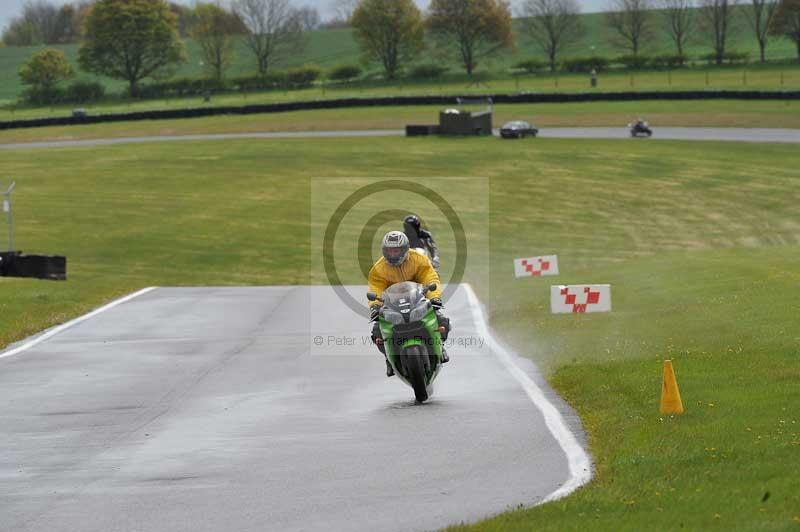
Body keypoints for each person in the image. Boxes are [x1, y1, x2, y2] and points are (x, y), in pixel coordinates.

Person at [368, 231, 450, 377]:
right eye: (389, 250)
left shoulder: (419, 259)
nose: (392, 254)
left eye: (396, 250)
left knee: (442, 320)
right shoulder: (378, 268)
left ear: (405, 249)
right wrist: (375, 306)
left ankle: (441, 347)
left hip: (417, 300)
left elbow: (430, 278)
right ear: (384, 250)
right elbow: (375, 288)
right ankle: (388, 358)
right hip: (392, 306)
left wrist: (434, 297)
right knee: (377, 332)